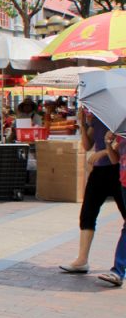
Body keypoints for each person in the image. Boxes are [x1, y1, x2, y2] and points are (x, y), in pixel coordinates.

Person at [59, 107, 125, 274]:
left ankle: (120, 265)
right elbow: (87, 145)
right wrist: (82, 124)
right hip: (100, 171)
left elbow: (120, 146)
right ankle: (82, 260)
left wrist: (103, 152)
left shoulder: (120, 114)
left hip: (118, 170)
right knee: (88, 212)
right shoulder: (96, 115)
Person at [97, 130, 126, 287]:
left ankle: (118, 271)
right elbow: (115, 160)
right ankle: (118, 271)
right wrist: (108, 143)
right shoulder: (121, 132)